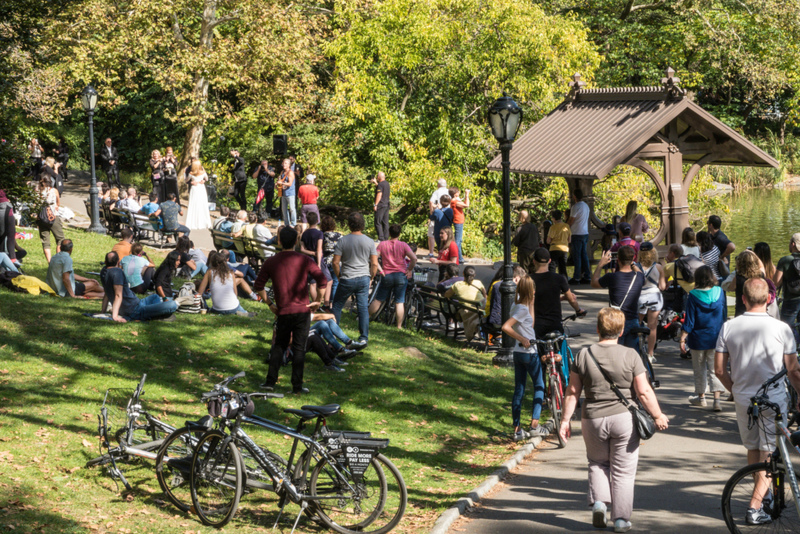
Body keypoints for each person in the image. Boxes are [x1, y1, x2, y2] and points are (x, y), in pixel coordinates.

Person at [559, 307, 669, 533]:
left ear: (598, 329)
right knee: (623, 471)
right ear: (620, 332)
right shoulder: (631, 355)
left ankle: (600, 503)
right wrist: (657, 415)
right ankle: (620, 519)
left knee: (597, 463)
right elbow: (644, 392)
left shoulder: (583, 355)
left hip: (593, 419)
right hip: (624, 419)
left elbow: (572, 391)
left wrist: (565, 420)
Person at [715, 277, 800, 526]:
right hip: (772, 399)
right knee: (769, 452)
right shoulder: (781, 328)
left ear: (743, 299)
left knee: (754, 449)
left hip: (743, 398)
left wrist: (737, 389)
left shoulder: (729, 327)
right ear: (770, 298)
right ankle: (754, 507)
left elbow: (719, 370)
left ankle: (763, 497)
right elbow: (793, 370)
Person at [254, 226, 327, 394]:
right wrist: (318, 300)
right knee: (299, 348)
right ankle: (297, 386)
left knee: (279, 346)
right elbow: (322, 280)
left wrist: (270, 304)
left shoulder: (271, 261)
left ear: (279, 241)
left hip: (284, 311)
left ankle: (270, 382)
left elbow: (259, 285)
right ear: (296, 241)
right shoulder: (305, 260)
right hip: (302, 311)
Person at [501, 275, 548, 441]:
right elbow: (506, 327)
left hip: (518, 354)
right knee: (539, 385)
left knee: (519, 389)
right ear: (529, 290)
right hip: (529, 353)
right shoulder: (521, 309)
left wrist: (532, 303)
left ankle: (517, 429)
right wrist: (522, 339)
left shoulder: (517, 305)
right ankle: (534, 425)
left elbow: (530, 325)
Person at [679, 265, 727, 411]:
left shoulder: (693, 295)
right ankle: (717, 400)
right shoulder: (720, 292)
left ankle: (701, 398)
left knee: (699, 369)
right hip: (716, 337)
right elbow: (724, 315)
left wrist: (682, 338)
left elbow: (690, 321)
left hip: (697, 339)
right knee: (715, 369)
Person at [332, 211, 378, 343]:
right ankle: (364, 338)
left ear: (349, 225)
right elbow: (374, 263)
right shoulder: (369, 241)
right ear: (362, 224)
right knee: (363, 308)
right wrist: (371, 277)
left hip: (347, 277)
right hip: (363, 277)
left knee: (337, 306)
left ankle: (334, 334)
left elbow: (335, 262)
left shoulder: (342, 241)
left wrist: (339, 276)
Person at [591, 246, 644, 350]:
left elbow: (594, 283)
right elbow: (640, 273)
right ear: (633, 259)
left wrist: (601, 264)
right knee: (632, 354)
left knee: (615, 352)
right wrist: (632, 263)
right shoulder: (639, 277)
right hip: (633, 320)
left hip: (616, 320)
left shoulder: (612, 277)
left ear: (618, 259)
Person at [101, 251, 178, 322]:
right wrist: (115, 317)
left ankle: (155, 314)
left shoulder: (104, 272)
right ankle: (154, 315)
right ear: (118, 262)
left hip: (138, 303)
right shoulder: (117, 272)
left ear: (105, 262)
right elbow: (118, 295)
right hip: (135, 310)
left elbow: (106, 293)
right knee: (173, 305)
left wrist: (102, 311)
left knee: (155, 297)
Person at [530, 248, 585, 340]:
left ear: (534, 261)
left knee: (539, 351)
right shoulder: (559, 278)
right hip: (555, 323)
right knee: (558, 350)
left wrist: (562, 298)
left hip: (537, 323)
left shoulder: (529, 280)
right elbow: (571, 298)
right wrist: (578, 310)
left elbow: (536, 298)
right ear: (550, 261)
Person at [370, 224, 417, 328]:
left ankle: (366, 317)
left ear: (389, 233)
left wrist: (381, 270)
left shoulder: (382, 244)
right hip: (401, 275)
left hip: (387, 275)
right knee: (399, 302)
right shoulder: (404, 245)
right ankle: (399, 326)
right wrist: (409, 270)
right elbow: (414, 258)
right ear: (399, 234)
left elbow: (374, 259)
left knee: (378, 299)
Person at [636, 242, 666, 362]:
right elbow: (662, 287)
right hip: (655, 297)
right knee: (652, 326)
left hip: (640, 297)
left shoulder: (636, 267)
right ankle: (650, 354)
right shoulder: (658, 267)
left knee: (636, 325)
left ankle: (636, 350)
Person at [445, 266, 486, 341]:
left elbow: (446, 295)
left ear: (463, 273)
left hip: (466, 311)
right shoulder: (478, 282)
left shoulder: (457, 284)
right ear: (474, 275)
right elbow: (485, 295)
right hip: (480, 310)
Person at [773, 233, 800, 339]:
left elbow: (777, 282)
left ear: (793, 244)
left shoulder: (785, 260)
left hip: (790, 301)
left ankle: (788, 352)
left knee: (785, 329)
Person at [300, 211, 328, 302]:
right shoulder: (319, 233)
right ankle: (320, 302)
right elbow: (319, 249)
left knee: (312, 283)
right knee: (328, 280)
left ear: (307, 221)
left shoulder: (304, 233)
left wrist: (311, 253)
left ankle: (315, 303)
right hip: (317, 260)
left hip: (308, 260)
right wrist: (319, 263)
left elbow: (302, 249)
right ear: (317, 221)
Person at [37, 177, 64, 263]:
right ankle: (58, 261)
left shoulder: (37, 190)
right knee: (60, 239)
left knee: (45, 241)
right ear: (50, 181)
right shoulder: (54, 190)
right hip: (52, 217)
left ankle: (49, 262)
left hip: (41, 218)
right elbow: (58, 203)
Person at [567, 189, 591, 284]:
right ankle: (587, 276)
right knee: (584, 255)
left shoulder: (575, 207)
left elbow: (571, 220)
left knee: (577, 256)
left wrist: (565, 227)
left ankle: (576, 277)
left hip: (576, 233)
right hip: (585, 233)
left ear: (574, 196)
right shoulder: (586, 206)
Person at [321, 216, 342, 304]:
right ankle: (332, 302)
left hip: (325, 261)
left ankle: (324, 301)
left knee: (326, 283)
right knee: (335, 283)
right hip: (336, 261)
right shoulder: (339, 235)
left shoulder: (321, 235)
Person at [186, 160, 211, 230]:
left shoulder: (191, 173)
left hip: (195, 188)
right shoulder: (203, 172)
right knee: (202, 204)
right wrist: (203, 180)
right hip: (201, 187)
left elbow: (186, 180)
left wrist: (191, 182)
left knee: (194, 204)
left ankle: (193, 222)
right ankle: (204, 221)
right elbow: (207, 178)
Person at [427, 178, 449, 257]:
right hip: (447, 215)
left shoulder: (437, 192)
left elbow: (431, 202)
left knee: (431, 234)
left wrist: (431, 211)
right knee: (446, 234)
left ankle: (431, 253)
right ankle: (445, 252)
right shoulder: (448, 191)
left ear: (438, 185)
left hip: (437, 214)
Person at [0, 190, 22, 267]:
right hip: (6, 210)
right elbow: (11, 236)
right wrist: (13, 257)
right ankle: (12, 260)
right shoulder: (8, 208)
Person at [546, 209, 571, 276]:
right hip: (564, 249)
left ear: (554, 218)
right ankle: (564, 282)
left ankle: (552, 280)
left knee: (552, 267)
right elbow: (569, 240)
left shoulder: (552, 227)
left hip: (554, 248)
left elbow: (548, 241)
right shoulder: (566, 226)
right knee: (563, 267)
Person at [449, 186, 469, 263]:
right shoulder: (454, 201)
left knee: (459, 240)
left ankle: (459, 258)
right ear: (455, 194)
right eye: (457, 192)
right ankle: (458, 258)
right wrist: (467, 195)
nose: (459, 193)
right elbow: (466, 205)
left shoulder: (455, 200)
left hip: (458, 221)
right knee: (458, 241)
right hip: (458, 221)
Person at [276, 158, 297, 226]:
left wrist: (282, 183)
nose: (284, 165)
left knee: (292, 209)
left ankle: (293, 223)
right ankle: (286, 224)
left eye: (285, 163)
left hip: (290, 193)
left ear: (289, 165)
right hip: (283, 193)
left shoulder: (290, 172)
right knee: (284, 210)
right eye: (283, 163)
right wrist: (277, 184)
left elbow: (290, 183)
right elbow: (280, 180)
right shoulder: (282, 172)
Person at [373, 171, 390, 241]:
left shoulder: (380, 184)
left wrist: (375, 204)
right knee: (385, 222)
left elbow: (379, 194)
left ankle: (381, 238)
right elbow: (381, 188)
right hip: (386, 205)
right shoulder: (387, 183)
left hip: (381, 205)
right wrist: (375, 183)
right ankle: (386, 238)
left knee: (377, 222)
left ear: (378, 177)